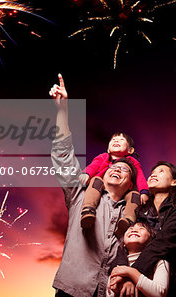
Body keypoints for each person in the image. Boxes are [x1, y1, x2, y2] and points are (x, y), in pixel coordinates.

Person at [49, 74, 139, 297]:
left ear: (130, 185)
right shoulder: (80, 197)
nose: (117, 169)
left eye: (125, 169)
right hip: (71, 290)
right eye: (113, 167)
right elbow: (62, 155)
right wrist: (62, 111)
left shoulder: (135, 215)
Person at [110, 161, 176, 297]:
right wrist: (122, 271)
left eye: (161, 171)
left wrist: (132, 274)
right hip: (145, 283)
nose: (153, 175)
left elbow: (164, 242)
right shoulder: (141, 211)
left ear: (175, 182)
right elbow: (123, 242)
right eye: (152, 173)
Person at [79, 132, 149, 237]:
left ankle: (128, 220)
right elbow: (93, 166)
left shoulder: (132, 162)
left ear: (130, 150)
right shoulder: (103, 157)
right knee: (96, 180)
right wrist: (86, 174)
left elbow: (140, 176)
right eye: (113, 140)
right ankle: (88, 210)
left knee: (134, 195)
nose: (116, 141)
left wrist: (144, 191)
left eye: (121, 140)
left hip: (124, 191)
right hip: (102, 186)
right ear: (108, 149)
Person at [107, 222, 170, 297]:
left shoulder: (159, 262)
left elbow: (160, 293)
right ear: (123, 242)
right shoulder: (116, 264)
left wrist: (130, 272)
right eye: (130, 228)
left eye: (141, 228)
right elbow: (109, 293)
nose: (134, 230)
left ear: (151, 239)